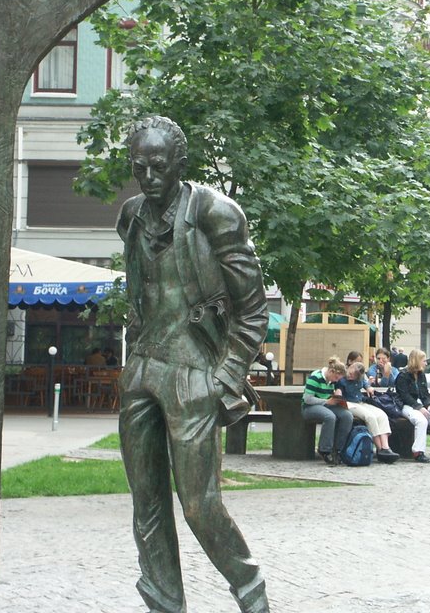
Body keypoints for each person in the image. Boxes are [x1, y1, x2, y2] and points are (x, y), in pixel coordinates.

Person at [116, 115, 270, 613]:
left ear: (180, 162)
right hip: (141, 368)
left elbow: (253, 309)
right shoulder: (131, 217)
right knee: (147, 503)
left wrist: (225, 377)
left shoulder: (215, 212)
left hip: (192, 371)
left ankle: (252, 595)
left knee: (200, 506)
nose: (148, 176)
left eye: (158, 165)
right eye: (139, 167)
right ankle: (163, 601)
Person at [337, 360, 399, 462]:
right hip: (349, 403)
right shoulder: (342, 379)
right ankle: (380, 449)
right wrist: (338, 394)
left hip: (360, 402)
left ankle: (386, 447)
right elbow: (338, 390)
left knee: (382, 415)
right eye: (350, 373)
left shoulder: (360, 378)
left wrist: (368, 387)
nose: (350, 376)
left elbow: (365, 383)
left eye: (354, 376)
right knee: (370, 417)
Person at [395, 349, 430, 463]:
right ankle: (418, 452)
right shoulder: (403, 376)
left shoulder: (421, 376)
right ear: (417, 361)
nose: (426, 363)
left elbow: (425, 394)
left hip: (421, 405)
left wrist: (429, 406)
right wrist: (419, 407)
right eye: (424, 361)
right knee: (421, 421)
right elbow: (404, 396)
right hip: (407, 406)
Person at [301, 357, 354, 465]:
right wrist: (326, 401)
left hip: (327, 404)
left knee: (347, 416)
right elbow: (308, 399)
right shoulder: (315, 377)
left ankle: (339, 449)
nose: (336, 380)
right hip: (310, 406)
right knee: (330, 417)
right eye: (335, 377)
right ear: (331, 371)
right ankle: (325, 449)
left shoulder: (332, 380)